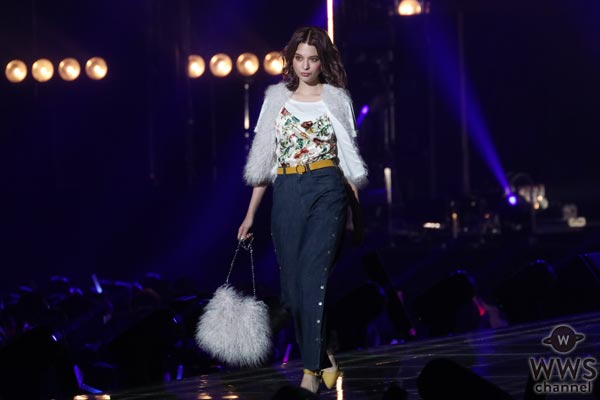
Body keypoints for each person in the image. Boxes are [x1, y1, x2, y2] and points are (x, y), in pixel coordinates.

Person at [237, 26, 368, 393]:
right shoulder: (275, 99)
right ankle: (323, 354)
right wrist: (250, 214)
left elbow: (349, 159)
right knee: (292, 294)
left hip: (327, 187)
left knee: (313, 279)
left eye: (313, 59)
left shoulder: (337, 100)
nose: (306, 65)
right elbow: (263, 160)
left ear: (323, 61)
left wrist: (357, 215)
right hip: (287, 190)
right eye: (299, 58)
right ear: (291, 60)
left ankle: (310, 371)